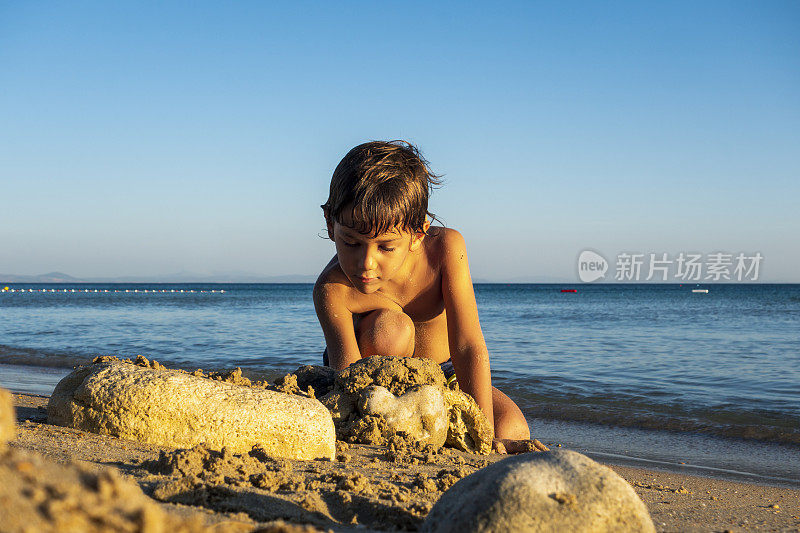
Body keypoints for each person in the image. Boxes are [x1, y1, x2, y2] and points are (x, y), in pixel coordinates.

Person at [313, 140, 547, 453]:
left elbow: (467, 345)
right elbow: (351, 380)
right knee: (392, 329)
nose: (366, 263)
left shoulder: (445, 251)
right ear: (331, 225)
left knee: (511, 428)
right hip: (377, 380)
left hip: (443, 374)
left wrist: (486, 437)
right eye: (351, 243)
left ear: (419, 233)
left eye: (385, 246)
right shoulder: (333, 289)